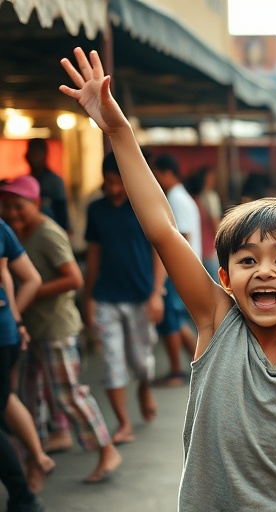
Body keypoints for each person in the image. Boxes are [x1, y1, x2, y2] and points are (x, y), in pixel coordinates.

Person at [60, 46, 276, 510]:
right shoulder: (217, 322)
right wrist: (118, 130)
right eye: (248, 261)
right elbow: (163, 229)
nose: (265, 271)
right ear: (226, 278)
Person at [0, 175, 121, 485]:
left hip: (57, 328)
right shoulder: (14, 232)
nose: (12, 213)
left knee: (68, 395)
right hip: (30, 330)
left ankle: (106, 449)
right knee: (29, 398)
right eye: (7, 206)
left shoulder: (47, 233)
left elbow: (74, 279)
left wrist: (27, 293)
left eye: (19, 206)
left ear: (36, 203)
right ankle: (35, 461)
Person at [84, 150, 165, 444]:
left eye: (120, 183)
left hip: (141, 296)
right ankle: (123, 424)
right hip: (106, 297)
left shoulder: (143, 207)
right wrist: (89, 296)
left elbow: (160, 249)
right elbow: (94, 254)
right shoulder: (96, 210)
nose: (115, 189)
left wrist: (157, 293)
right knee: (112, 362)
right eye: (109, 183)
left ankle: (144, 386)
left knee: (141, 362)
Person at [0, 216, 44, 512]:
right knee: (5, 402)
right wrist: (16, 321)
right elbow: (14, 275)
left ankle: (24, 494)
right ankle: (38, 459)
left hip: (5, 333)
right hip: (6, 332)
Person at [150, 153, 200, 387]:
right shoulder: (182, 197)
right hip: (183, 268)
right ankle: (199, 363)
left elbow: (183, 236)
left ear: (166, 174)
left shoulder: (175, 199)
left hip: (178, 269)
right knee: (177, 321)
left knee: (174, 320)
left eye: (157, 174)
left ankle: (177, 371)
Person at [24, 139, 70, 234]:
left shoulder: (54, 181)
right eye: (30, 154)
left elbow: (61, 211)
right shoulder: (25, 182)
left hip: (52, 232)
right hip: (29, 234)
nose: (32, 158)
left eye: (36, 154)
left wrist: (64, 232)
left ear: (44, 155)